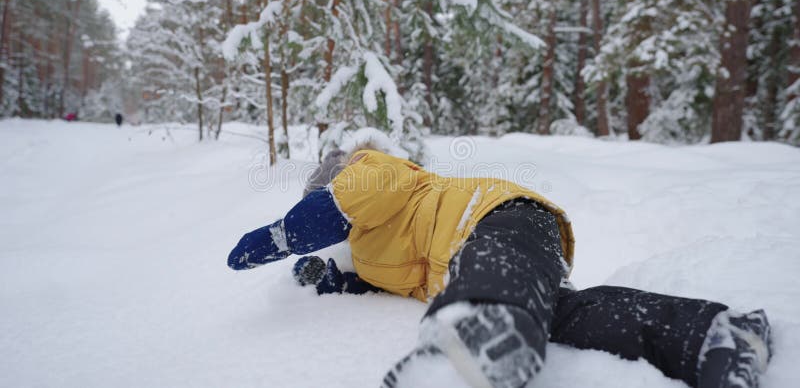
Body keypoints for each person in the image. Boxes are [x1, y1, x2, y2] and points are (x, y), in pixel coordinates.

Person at [227, 148, 773, 388]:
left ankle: (460, 357)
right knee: (560, 318)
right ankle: (716, 337)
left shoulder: (375, 173)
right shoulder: (368, 243)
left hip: (498, 220)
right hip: (490, 274)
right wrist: (326, 279)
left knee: (490, 296)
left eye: (321, 196)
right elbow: (367, 277)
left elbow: (322, 216)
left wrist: (275, 239)